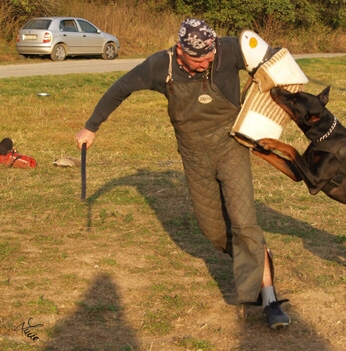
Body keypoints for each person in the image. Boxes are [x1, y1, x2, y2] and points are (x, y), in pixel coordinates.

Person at [75, 18, 290, 329]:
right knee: (213, 231)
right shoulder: (159, 67)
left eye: (210, 56)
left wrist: (272, 81)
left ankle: (269, 298)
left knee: (244, 222)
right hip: (193, 156)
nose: (207, 61)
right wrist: (91, 126)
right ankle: (258, 255)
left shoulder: (229, 49)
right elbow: (120, 88)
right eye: (200, 58)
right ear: (180, 51)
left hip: (231, 146)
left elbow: (275, 58)